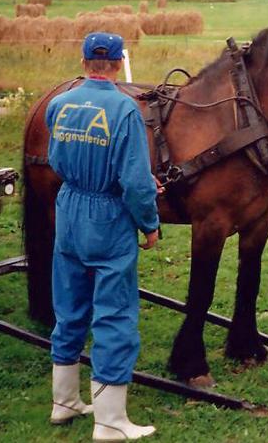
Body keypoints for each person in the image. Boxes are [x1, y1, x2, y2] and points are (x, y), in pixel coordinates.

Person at [44, 32, 161, 441]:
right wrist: (149, 223)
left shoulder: (59, 103)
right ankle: (111, 422)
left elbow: (58, 155)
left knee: (70, 304)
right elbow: (134, 183)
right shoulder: (125, 110)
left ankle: (65, 401)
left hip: (69, 208)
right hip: (107, 216)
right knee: (114, 312)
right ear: (116, 63)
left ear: (84, 60)